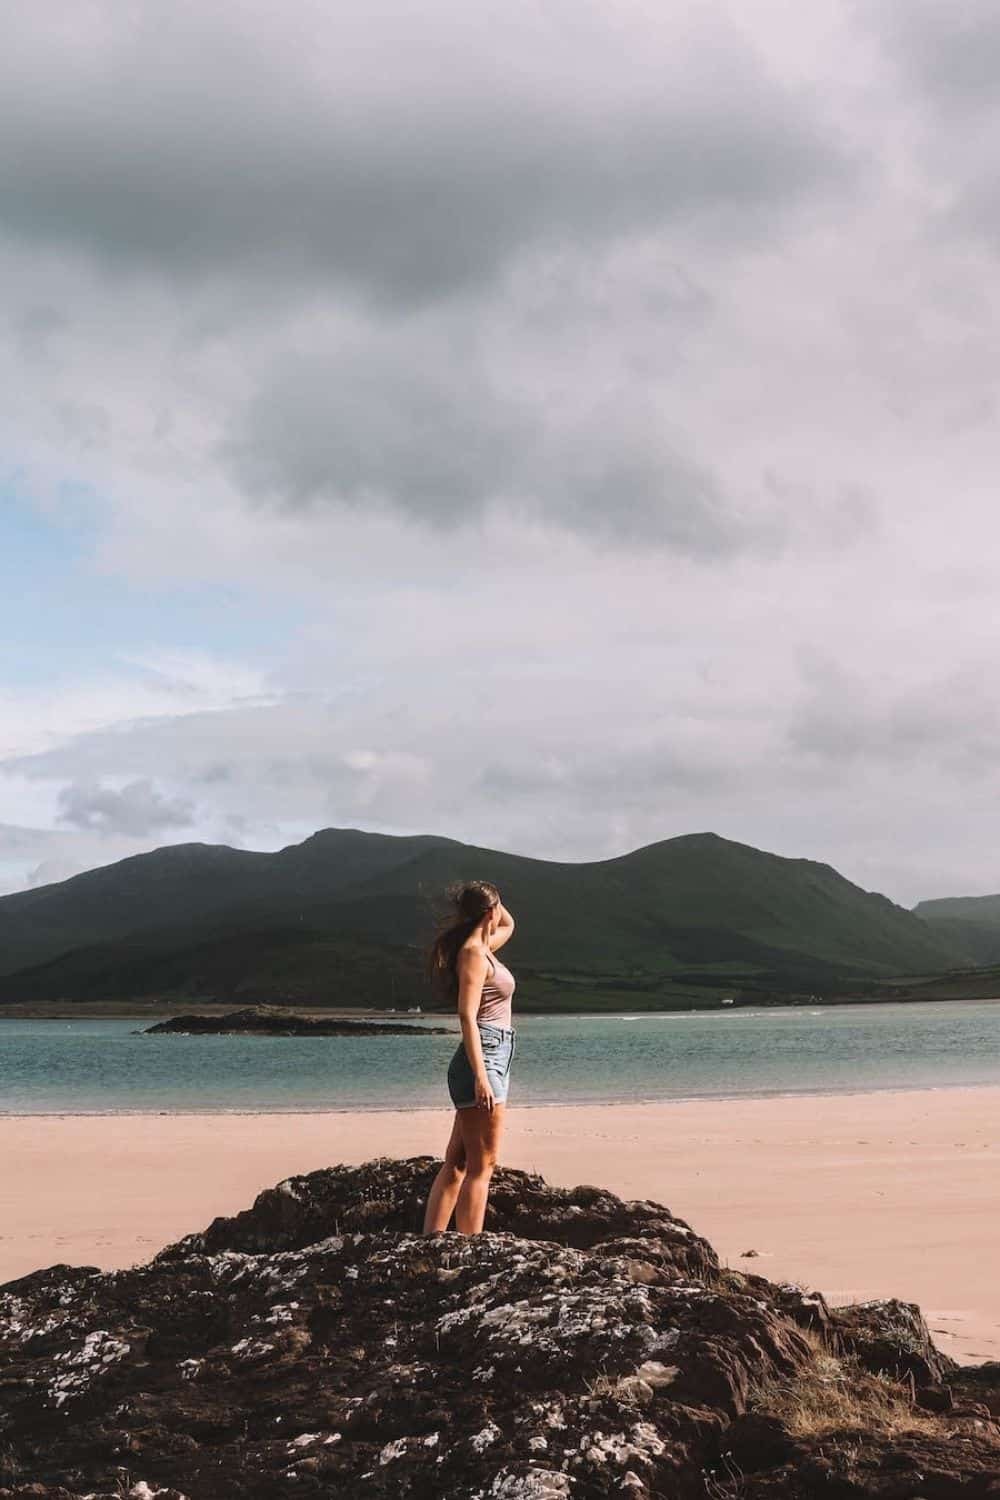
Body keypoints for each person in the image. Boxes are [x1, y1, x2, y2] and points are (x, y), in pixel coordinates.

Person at [422, 880, 516, 1234]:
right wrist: (480, 1076)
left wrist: (491, 900)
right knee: (483, 1165)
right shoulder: (474, 955)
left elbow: (509, 924)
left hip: (493, 1054)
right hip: (484, 1057)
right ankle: (472, 1249)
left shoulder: (484, 946)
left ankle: (431, 1240)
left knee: (458, 1161)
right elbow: (467, 1015)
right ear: (489, 912)